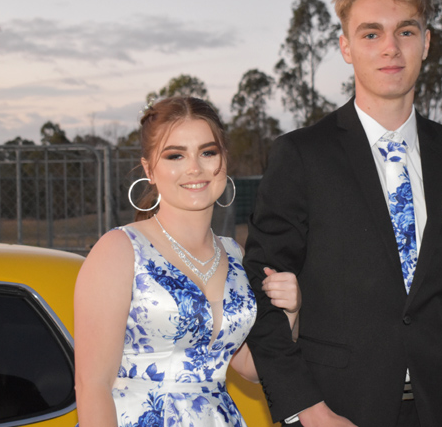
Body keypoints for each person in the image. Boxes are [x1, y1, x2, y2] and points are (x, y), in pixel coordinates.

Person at [243, 0, 442, 426]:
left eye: (406, 31)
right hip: (336, 410)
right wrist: (307, 409)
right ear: (346, 47)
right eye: (371, 33)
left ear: (426, 42)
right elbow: (261, 290)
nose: (391, 47)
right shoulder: (301, 156)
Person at [73, 97, 300, 427]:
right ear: (149, 169)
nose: (195, 168)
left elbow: (250, 368)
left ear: (224, 160)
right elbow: (92, 386)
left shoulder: (236, 255)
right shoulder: (120, 250)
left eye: (208, 152)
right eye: (175, 155)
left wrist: (290, 311)